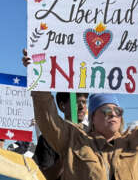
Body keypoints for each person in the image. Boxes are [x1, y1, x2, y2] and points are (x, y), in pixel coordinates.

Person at [29, 64, 138, 180]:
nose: (113, 114)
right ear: (93, 117)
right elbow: (48, 119)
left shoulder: (136, 141)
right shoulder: (73, 140)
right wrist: (39, 78)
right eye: (106, 110)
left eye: (118, 111)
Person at [23, 49, 90, 180]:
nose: (82, 106)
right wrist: (64, 161)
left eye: (84, 102)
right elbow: (42, 177)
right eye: (76, 102)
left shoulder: (92, 135)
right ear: (61, 105)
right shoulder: (48, 139)